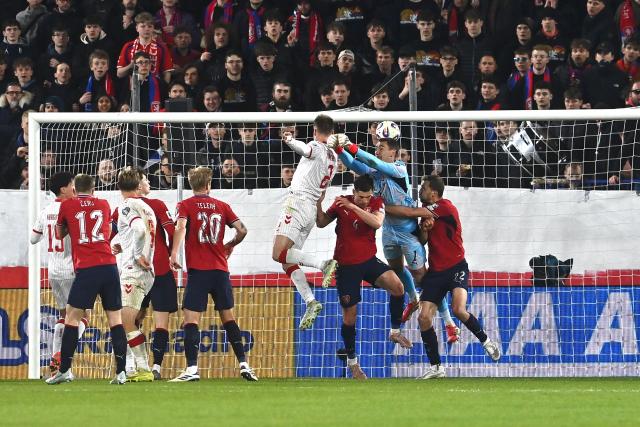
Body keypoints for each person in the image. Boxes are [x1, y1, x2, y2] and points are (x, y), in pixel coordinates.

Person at [333, 122, 459, 343]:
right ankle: (412, 299)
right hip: (388, 230)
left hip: (408, 233)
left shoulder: (399, 169)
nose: (377, 149)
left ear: (394, 152)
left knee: (424, 278)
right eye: (377, 146)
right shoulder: (373, 173)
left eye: (382, 147)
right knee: (397, 269)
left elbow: (369, 160)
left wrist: (351, 145)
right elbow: (354, 164)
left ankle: (449, 323)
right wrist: (339, 150)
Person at [391, 175, 501, 379]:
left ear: (433, 192)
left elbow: (409, 211)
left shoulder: (445, 206)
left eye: (423, 187)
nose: (420, 190)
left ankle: (487, 341)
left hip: (456, 267)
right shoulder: (428, 214)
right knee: (423, 318)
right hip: (436, 272)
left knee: (458, 309)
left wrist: (384, 208)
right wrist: (425, 230)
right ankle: (436, 367)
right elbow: (423, 240)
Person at [169, 166, 257, 382]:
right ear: (209, 185)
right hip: (220, 270)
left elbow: (180, 227)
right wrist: (229, 244)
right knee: (229, 318)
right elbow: (243, 230)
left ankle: (191, 369)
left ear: (192, 185)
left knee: (191, 320)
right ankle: (244, 365)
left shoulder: (185, 204)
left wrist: (174, 253)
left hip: (199, 271)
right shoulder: (222, 206)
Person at [316, 174, 407, 379]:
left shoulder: (376, 203)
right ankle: (353, 363)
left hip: (368, 261)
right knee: (350, 317)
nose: (365, 200)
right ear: (354, 192)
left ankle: (394, 331)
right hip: (346, 267)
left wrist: (354, 207)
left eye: (368, 197)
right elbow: (321, 223)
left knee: (398, 287)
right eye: (361, 197)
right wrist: (318, 204)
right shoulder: (340, 203)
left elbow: (376, 223)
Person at [47, 174, 128, 385]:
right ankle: (121, 372)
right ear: (93, 189)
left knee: (72, 318)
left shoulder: (67, 206)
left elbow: (58, 234)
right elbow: (107, 231)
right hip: (110, 266)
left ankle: (64, 370)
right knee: (115, 319)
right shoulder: (104, 204)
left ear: (75, 188)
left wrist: (68, 227)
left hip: (87, 268)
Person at [271, 114, 338, 330]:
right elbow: (322, 192)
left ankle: (323, 264)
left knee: (277, 254)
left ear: (315, 131)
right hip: (310, 209)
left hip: (297, 203)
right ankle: (311, 301)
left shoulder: (316, 146)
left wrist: (289, 139)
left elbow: (305, 150)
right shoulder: (334, 158)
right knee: (287, 261)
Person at [111, 169, 170, 381]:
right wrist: (116, 244)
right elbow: (129, 233)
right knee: (129, 320)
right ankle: (132, 369)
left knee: (125, 321)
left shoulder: (126, 206)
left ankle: (143, 369)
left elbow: (139, 230)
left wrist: (137, 255)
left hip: (133, 271)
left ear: (119, 187)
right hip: (143, 271)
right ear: (138, 187)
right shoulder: (146, 206)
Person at [30, 172, 88, 376]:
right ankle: (62, 357)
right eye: (72, 184)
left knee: (64, 317)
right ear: (63, 189)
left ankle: (59, 365)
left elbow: (33, 239)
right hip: (73, 270)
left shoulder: (45, 211)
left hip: (54, 271)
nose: (75, 187)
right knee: (81, 319)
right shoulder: (72, 209)